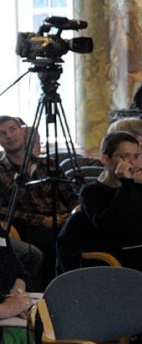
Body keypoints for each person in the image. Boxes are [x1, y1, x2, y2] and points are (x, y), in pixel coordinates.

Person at [62, 132, 142, 286]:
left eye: (135, 156)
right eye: (125, 156)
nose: (132, 163)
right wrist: (126, 184)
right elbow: (107, 225)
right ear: (106, 159)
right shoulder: (92, 192)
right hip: (120, 257)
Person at [0, 116, 74, 284]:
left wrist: (74, 211)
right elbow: (2, 209)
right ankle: (49, 294)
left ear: (23, 131)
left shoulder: (48, 164)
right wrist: (41, 220)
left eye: (13, 129)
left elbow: (70, 194)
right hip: (26, 225)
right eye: (2, 133)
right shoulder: (1, 170)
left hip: (60, 219)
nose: (9, 136)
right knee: (51, 242)